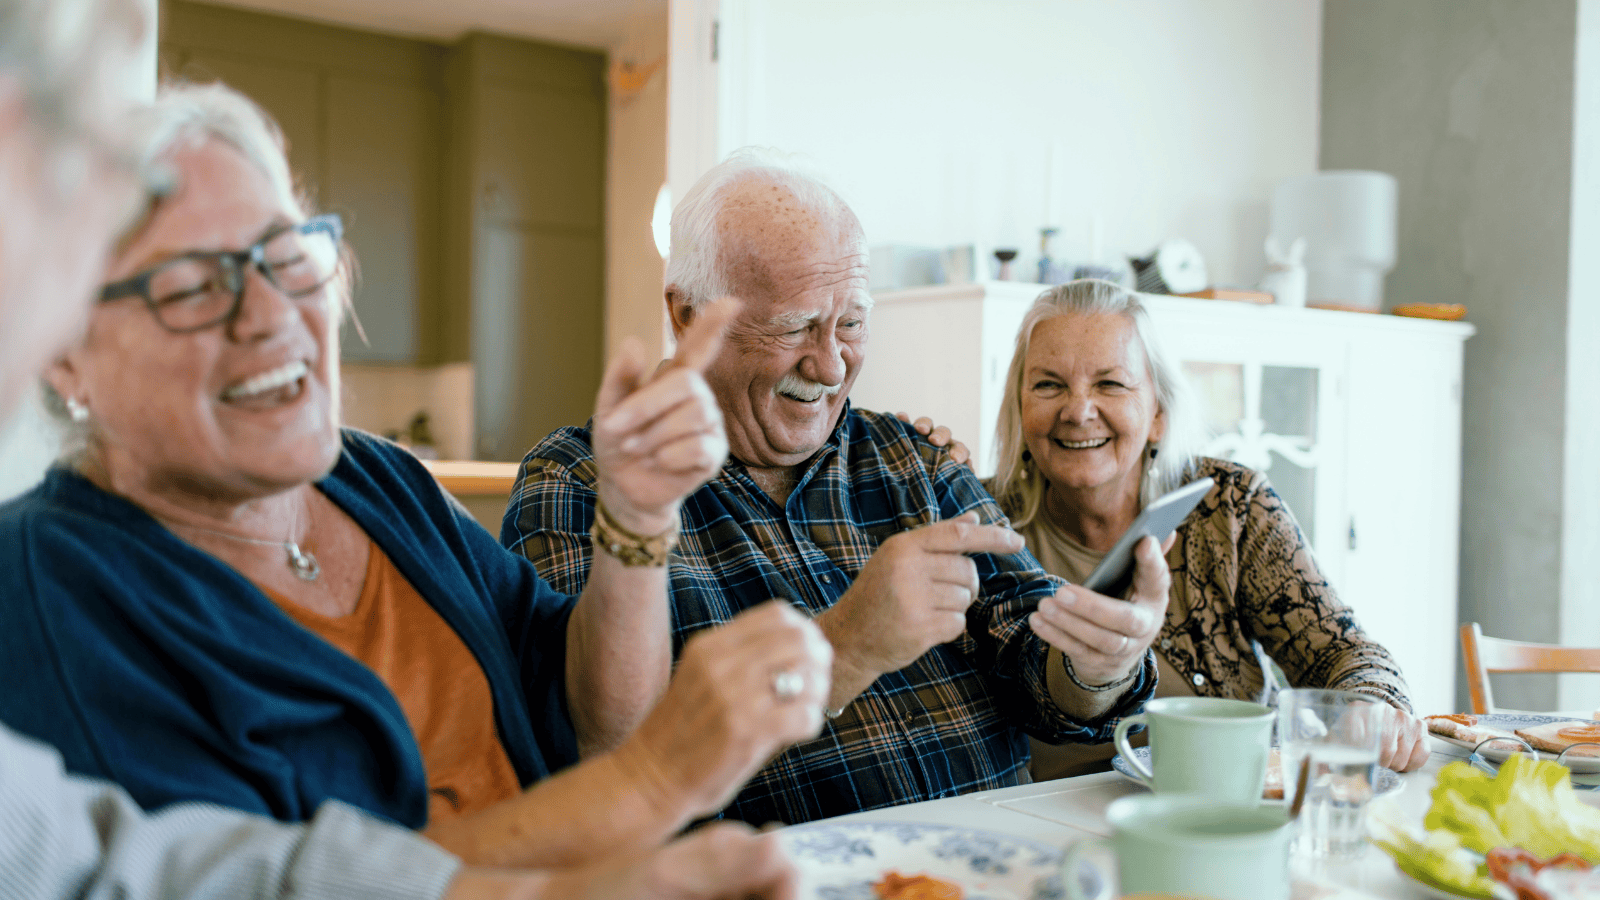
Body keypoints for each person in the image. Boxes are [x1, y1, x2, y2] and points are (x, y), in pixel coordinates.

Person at [0, 2, 803, 899]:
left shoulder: (378, 481)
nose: (269, 313)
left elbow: (588, 720)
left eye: (285, 257)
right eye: (193, 285)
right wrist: (655, 784)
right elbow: (270, 883)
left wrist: (639, 518)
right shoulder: (42, 586)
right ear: (62, 347)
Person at [504, 150, 1172, 826]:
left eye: (851, 323)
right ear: (685, 315)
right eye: (793, 325)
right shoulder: (582, 482)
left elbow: (1042, 669)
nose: (830, 364)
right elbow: (609, 762)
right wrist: (845, 646)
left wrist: (1099, 662)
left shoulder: (914, 460)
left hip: (998, 861)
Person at [985, 278, 1429, 777]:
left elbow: (1341, 650)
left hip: (1234, 798)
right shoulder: (979, 524)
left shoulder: (1231, 505)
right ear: (1020, 409)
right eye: (1048, 384)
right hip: (1048, 815)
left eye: (1110, 384)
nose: (1078, 410)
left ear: (1158, 413)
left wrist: (1373, 704)